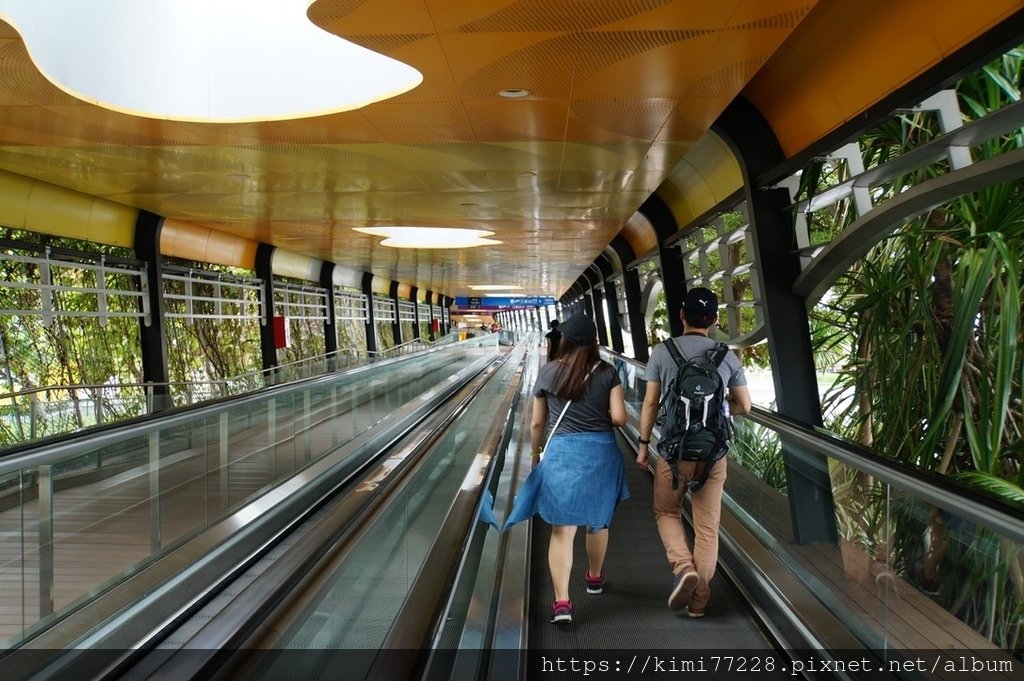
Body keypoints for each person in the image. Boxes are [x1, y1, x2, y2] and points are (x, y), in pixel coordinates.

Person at [504, 313, 629, 625]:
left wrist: (535, 453)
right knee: (598, 521)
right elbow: (619, 418)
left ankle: (562, 603)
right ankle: (595, 577)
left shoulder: (548, 373)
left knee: (562, 529)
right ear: (594, 341)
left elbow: (537, 422)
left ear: (565, 341)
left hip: (562, 451)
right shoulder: (607, 372)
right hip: (601, 451)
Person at [636, 287, 751, 618]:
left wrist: (644, 446)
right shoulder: (726, 356)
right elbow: (744, 405)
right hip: (713, 453)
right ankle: (699, 601)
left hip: (673, 451)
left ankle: (683, 566)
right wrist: (718, 408)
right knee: (707, 527)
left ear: (682, 315)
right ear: (714, 320)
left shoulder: (663, 352)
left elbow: (650, 402)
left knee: (667, 512)